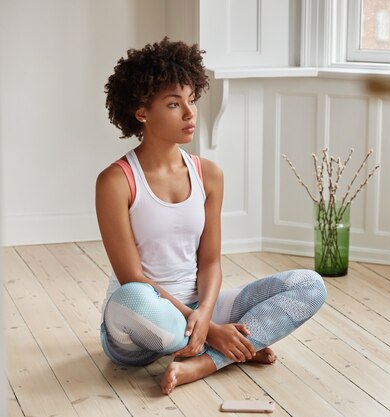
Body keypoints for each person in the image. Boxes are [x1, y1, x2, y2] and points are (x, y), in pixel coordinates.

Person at [96, 38, 327, 395]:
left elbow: (210, 262)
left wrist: (205, 312)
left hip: (200, 306)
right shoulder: (115, 181)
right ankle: (227, 343)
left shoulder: (209, 174)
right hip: (143, 320)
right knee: (132, 298)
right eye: (174, 104)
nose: (189, 113)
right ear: (142, 112)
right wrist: (207, 326)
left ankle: (206, 362)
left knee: (310, 285)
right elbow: (132, 277)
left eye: (191, 101)